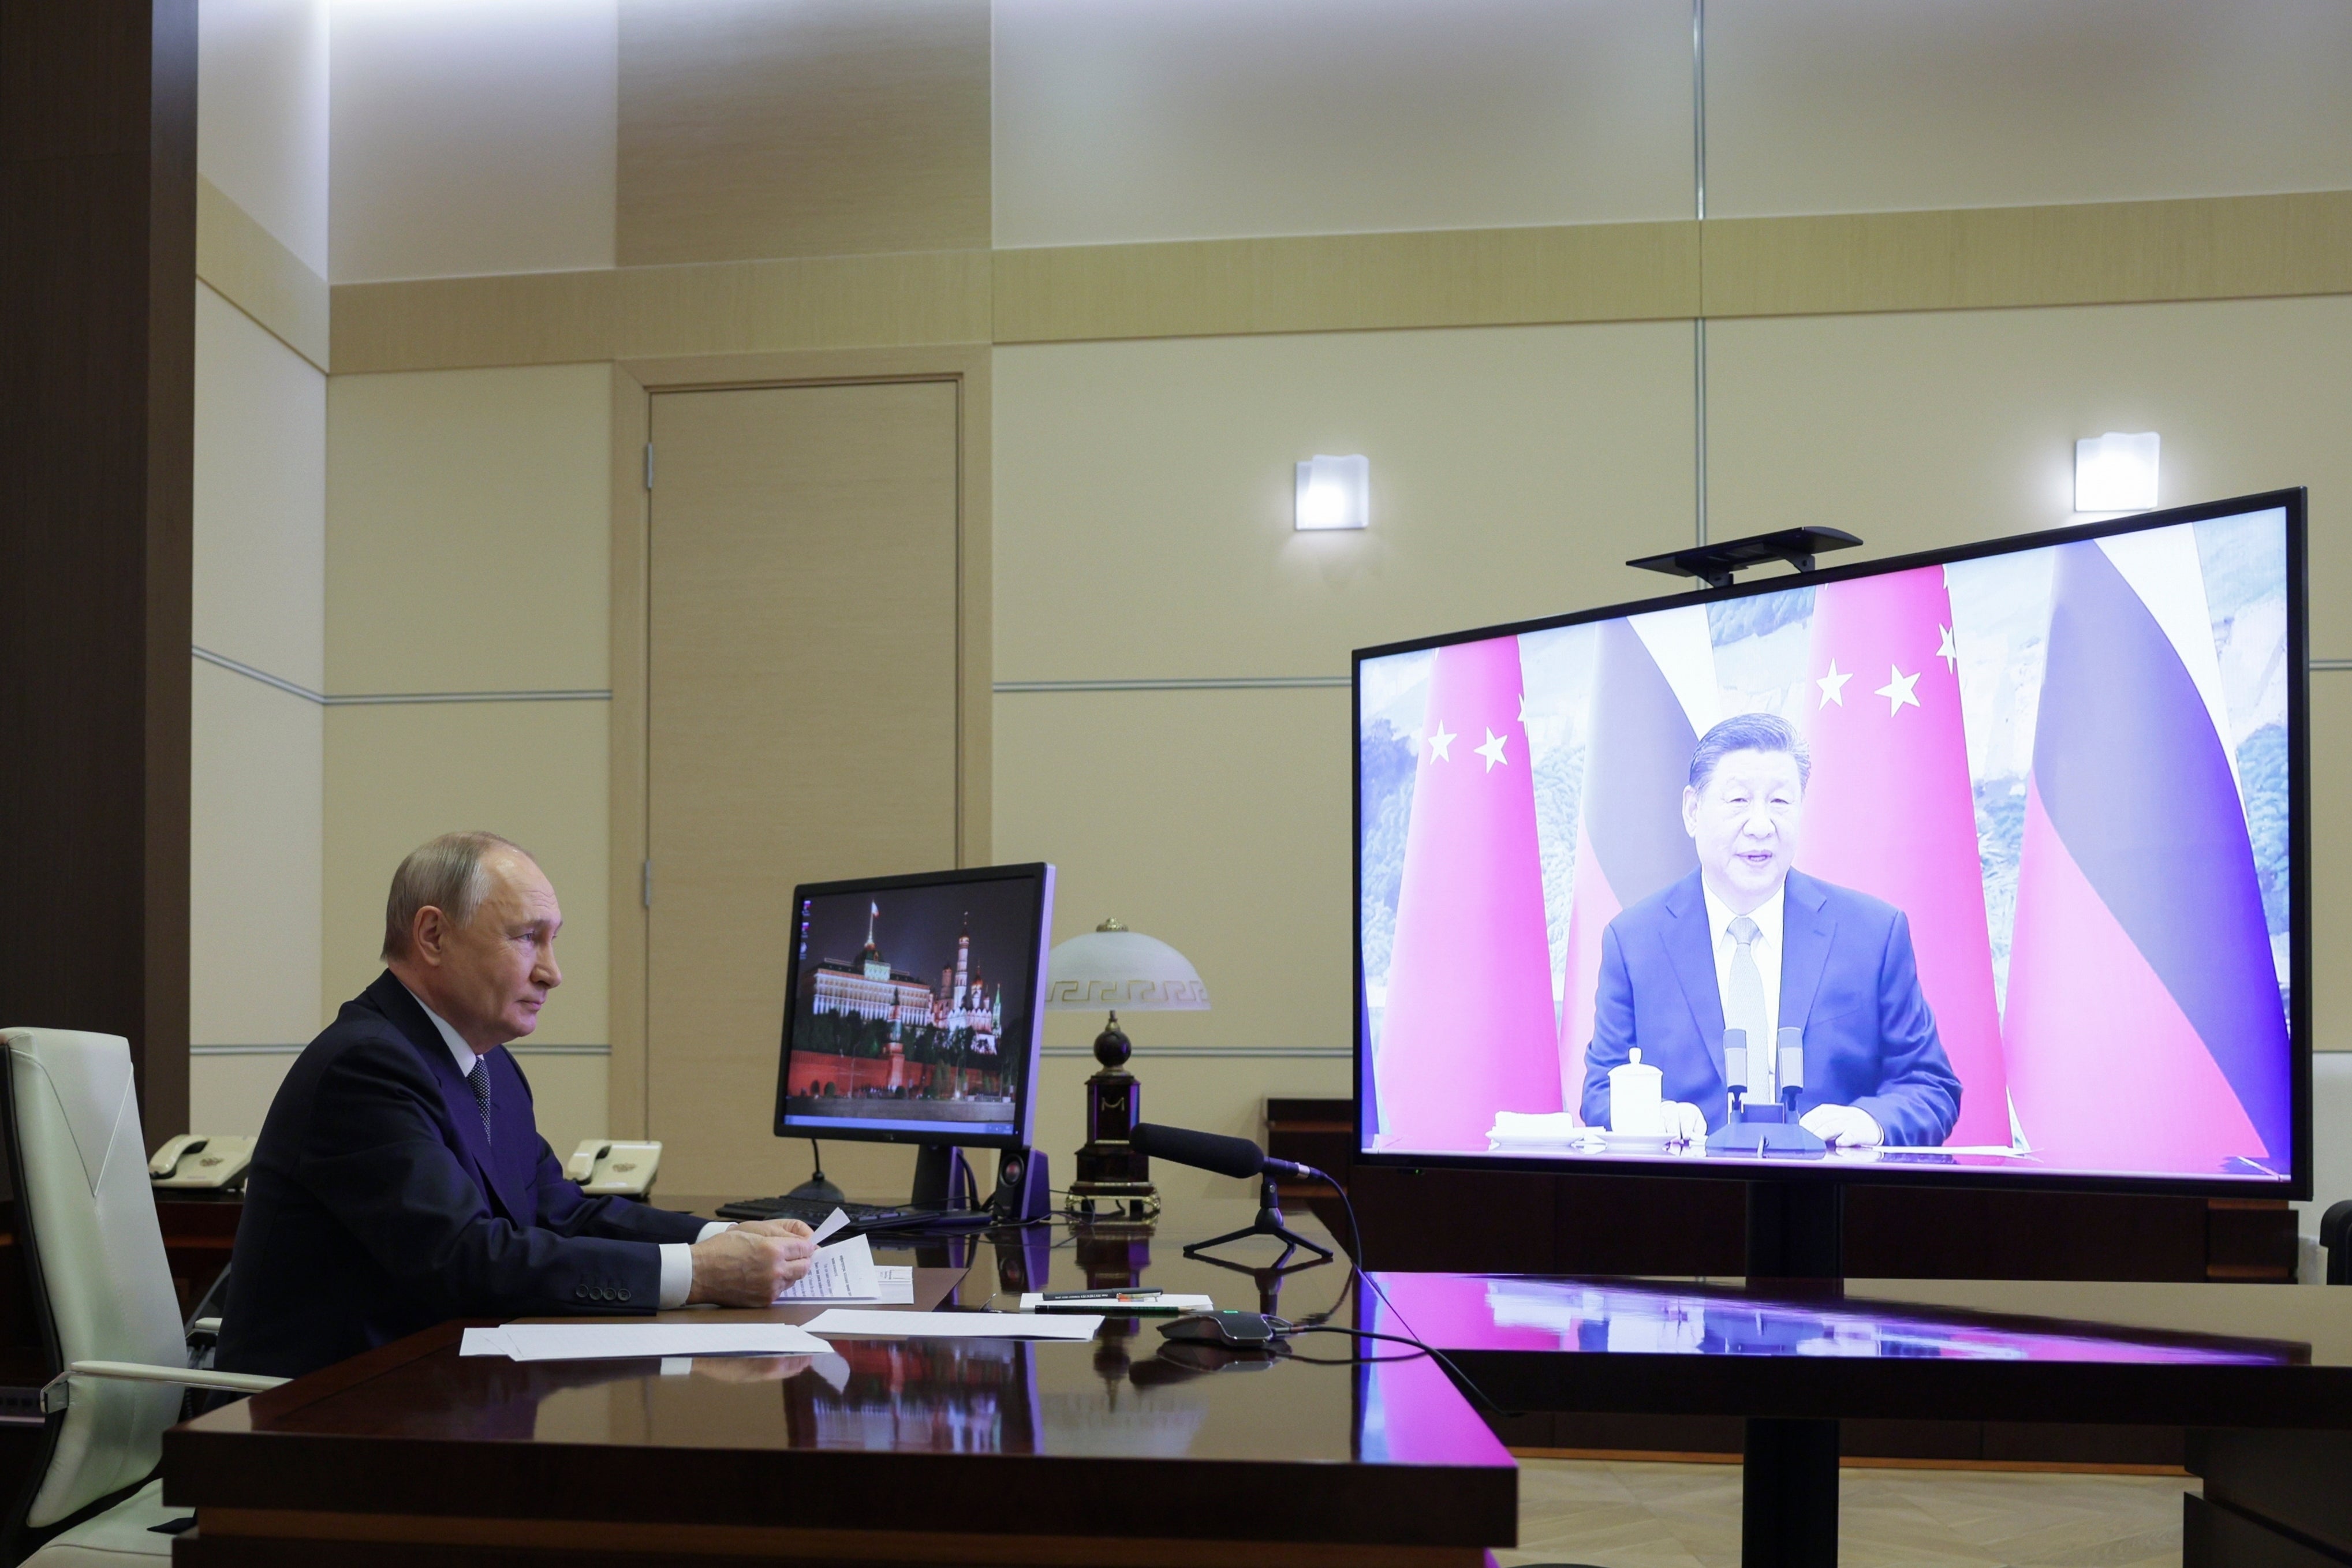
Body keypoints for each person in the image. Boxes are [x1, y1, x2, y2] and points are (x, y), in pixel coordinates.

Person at [216, 832, 815, 1379]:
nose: (553, 972)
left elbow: (559, 1213)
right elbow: (465, 1260)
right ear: (433, 936)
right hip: (324, 1419)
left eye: (553, 940)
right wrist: (701, 1273)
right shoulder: (364, 1066)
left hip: (440, 1395)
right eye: (528, 938)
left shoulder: (489, 1066)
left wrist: (726, 1236)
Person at [1578, 714, 1961, 1148]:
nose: (1761, 826)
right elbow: (1600, 1092)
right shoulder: (1635, 942)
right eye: (1739, 801)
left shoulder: (1872, 935)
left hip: (1828, 1185)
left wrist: (1869, 1122)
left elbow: (1931, 1086)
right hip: (1690, 1187)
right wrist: (1651, 1115)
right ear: (1693, 811)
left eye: (1780, 802)